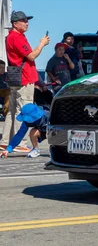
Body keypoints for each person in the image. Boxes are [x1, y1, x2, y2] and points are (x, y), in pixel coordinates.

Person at [0, 11, 50, 152]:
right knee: (24, 110)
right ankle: (21, 143)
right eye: (23, 21)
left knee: (12, 110)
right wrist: (42, 44)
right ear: (15, 24)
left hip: (15, 76)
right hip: (24, 77)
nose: (26, 23)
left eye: (26, 20)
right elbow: (32, 56)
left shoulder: (9, 37)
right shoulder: (18, 37)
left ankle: (5, 141)